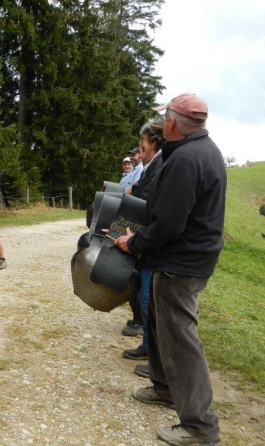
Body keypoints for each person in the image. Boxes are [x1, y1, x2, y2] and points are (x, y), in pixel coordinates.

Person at [114, 93, 224, 446]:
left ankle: (201, 426)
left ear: (174, 123)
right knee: (160, 325)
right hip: (182, 258)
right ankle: (164, 388)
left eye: (165, 119)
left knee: (180, 340)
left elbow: (169, 223)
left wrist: (134, 242)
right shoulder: (200, 151)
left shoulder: (187, 159)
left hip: (182, 262)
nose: (162, 124)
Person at [121, 122, 164, 370]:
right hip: (144, 238)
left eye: (143, 142)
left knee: (149, 300)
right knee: (145, 297)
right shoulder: (151, 166)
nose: (140, 147)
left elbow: (147, 201)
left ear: (154, 143)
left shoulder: (159, 166)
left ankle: (155, 356)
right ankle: (148, 346)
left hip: (150, 241)